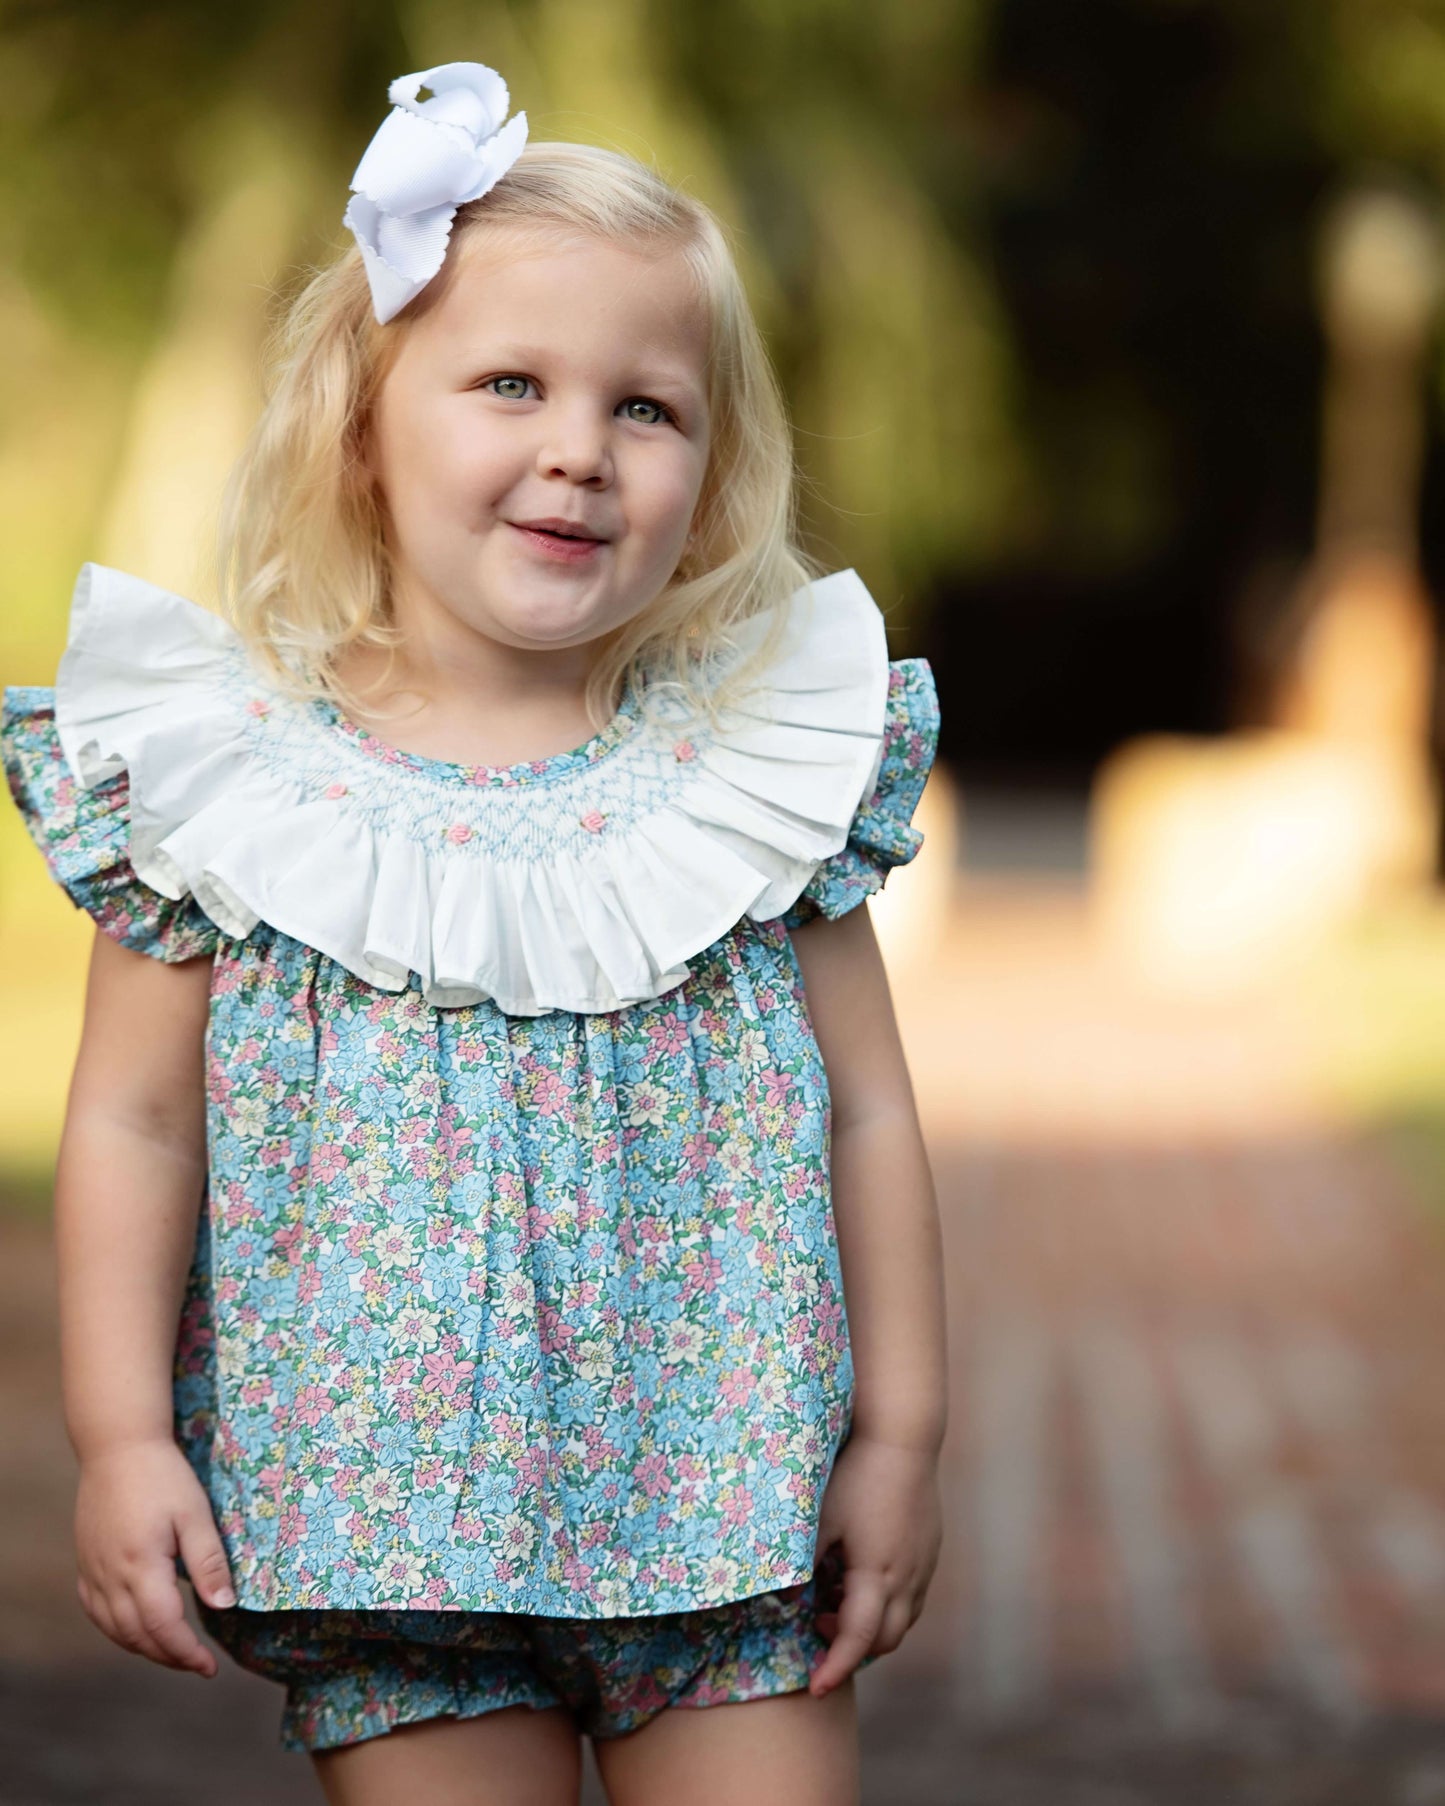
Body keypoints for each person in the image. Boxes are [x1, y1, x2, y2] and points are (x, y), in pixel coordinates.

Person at [0, 59, 946, 1806]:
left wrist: (897, 1433)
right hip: (388, 1524)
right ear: (363, 421)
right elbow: (133, 1119)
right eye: (510, 383)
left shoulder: (746, 780)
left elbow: (870, 1108)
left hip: (725, 1505)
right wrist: (119, 1437)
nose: (578, 448)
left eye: (647, 408)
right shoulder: (227, 782)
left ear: (710, 467)